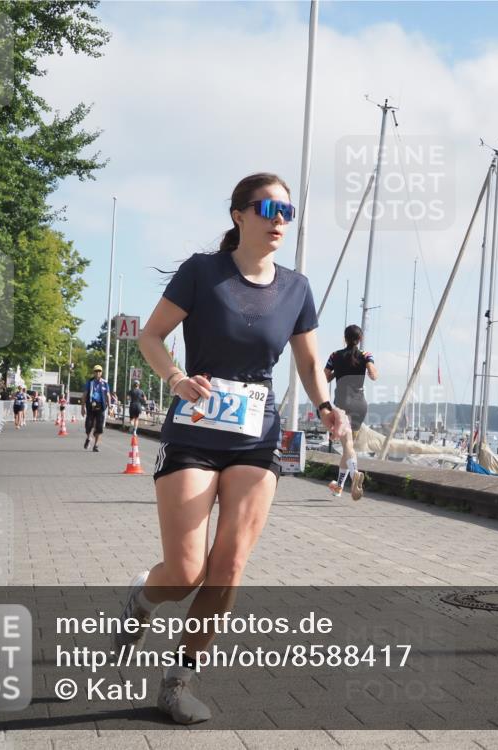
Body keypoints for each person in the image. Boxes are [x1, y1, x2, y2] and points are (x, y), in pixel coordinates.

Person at [128, 172, 346, 724]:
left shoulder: (296, 288)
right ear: (238, 215)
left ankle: (177, 684)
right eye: (268, 208)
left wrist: (325, 407)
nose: (279, 219)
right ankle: (140, 601)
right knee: (184, 572)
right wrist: (176, 378)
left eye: (287, 212)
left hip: (255, 436)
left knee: (228, 568)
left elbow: (308, 364)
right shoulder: (202, 273)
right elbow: (150, 336)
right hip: (194, 431)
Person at [324, 325, 378, 500]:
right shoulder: (365, 355)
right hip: (360, 404)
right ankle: (339, 487)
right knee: (349, 447)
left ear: (344, 338)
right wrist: (369, 370)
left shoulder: (335, 356)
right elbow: (373, 374)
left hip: (342, 405)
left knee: (347, 445)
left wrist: (336, 374)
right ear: (360, 339)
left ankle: (355, 473)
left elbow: (324, 377)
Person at [82, 365, 115, 452]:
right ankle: (88, 438)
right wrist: (83, 407)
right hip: (91, 405)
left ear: (101, 372)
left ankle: (96, 445)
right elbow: (85, 394)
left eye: (99, 371)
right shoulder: (89, 382)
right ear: (94, 372)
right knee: (89, 425)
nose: (98, 373)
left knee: (99, 427)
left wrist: (110, 407)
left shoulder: (105, 383)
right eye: (96, 371)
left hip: (101, 406)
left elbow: (108, 395)